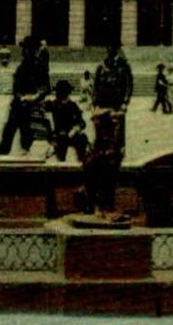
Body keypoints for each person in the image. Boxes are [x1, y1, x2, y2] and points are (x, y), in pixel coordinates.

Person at [86, 43, 134, 218]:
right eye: (109, 48)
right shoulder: (101, 66)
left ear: (117, 49)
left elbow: (129, 85)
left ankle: (114, 161)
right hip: (103, 108)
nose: (110, 50)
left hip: (116, 108)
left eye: (113, 48)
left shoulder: (123, 66)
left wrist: (124, 103)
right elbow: (95, 86)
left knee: (115, 146)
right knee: (101, 145)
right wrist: (94, 105)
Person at [0, 35, 50, 155]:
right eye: (24, 49)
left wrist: (35, 97)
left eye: (26, 49)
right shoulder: (21, 67)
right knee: (7, 135)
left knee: (26, 138)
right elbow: (16, 89)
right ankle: (1, 158)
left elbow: (46, 88)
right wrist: (21, 97)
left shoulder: (40, 67)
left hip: (31, 109)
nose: (23, 51)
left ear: (34, 50)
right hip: (18, 106)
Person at [45, 80, 89, 163]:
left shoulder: (72, 105)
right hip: (58, 135)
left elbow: (82, 122)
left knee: (82, 139)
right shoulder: (53, 105)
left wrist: (76, 129)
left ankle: (81, 163)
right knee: (61, 141)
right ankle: (60, 160)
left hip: (71, 134)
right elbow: (47, 121)